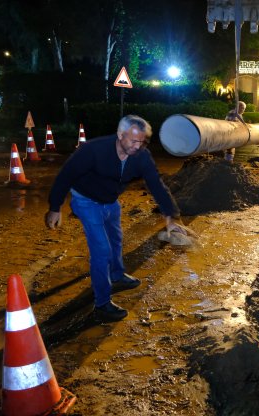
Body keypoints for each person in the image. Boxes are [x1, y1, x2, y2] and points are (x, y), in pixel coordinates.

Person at [45, 115, 192, 322]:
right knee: (102, 251)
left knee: (116, 239)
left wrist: (171, 215)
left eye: (142, 141)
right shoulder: (93, 150)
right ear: (120, 135)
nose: (137, 146)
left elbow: (156, 184)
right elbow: (65, 175)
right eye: (133, 140)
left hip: (111, 201)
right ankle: (102, 304)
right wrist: (55, 207)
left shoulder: (141, 155)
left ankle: (116, 274)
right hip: (86, 200)